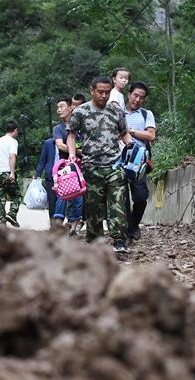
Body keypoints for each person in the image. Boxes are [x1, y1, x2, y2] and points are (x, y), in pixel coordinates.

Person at [67, 75, 133, 252]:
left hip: (114, 165)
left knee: (118, 203)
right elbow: (71, 135)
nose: (104, 96)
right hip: (91, 167)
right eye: (100, 92)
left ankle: (119, 241)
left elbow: (124, 132)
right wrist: (72, 155)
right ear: (92, 91)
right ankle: (95, 243)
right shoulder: (80, 112)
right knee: (94, 208)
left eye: (107, 92)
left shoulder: (116, 111)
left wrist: (131, 145)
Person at [123, 81, 156, 241]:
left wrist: (130, 131)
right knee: (121, 198)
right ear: (129, 94)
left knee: (140, 197)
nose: (137, 100)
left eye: (141, 97)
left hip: (138, 162)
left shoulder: (146, 114)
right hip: (119, 160)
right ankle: (128, 231)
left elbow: (151, 136)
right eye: (135, 95)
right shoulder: (118, 112)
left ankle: (134, 225)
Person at [52, 97, 84, 232]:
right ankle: (58, 223)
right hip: (65, 166)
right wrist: (79, 151)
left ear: (71, 107)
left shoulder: (81, 125)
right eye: (57, 108)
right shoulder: (58, 128)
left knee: (79, 195)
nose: (59, 110)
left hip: (83, 165)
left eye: (62, 106)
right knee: (63, 193)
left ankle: (74, 225)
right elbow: (60, 145)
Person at [0, 121, 21, 227]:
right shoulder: (13, 141)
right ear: (16, 130)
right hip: (6, 172)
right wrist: (12, 173)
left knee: (0, 200)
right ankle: (12, 214)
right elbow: (12, 156)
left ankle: (1, 226)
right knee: (16, 195)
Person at [34, 137, 58, 223]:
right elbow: (42, 159)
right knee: (52, 201)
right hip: (50, 176)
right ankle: (53, 224)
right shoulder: (48, 143)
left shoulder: (67, 142)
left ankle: (63, 223)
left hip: (64, 176)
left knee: (63, 201)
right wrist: (38, 174)